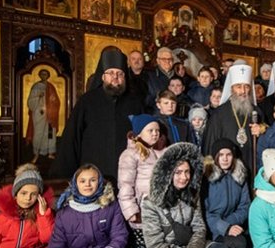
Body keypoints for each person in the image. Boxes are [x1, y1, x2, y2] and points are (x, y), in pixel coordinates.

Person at [52, 48, 143, 181]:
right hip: (93, 172)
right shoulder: (87, 101)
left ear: (125, 77)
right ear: (102, 76)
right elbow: (72, 138)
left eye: (120, 74)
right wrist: (63, 175)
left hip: (127, 174)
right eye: (110, 73)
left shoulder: (135, 103)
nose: (115, 77)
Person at [117, 114, 167, 248]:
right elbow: (125, 186)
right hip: (141, 213)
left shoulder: (159, 151)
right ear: (138, 133)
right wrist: (132, 212)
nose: (155, 134)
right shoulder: (130, 155)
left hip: (158, 213)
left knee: (156, 247)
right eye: (150, 130)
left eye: (157, 130)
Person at [203, 138, 258, 248]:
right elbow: (204, 213)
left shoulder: (239, 175)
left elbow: (245, 206)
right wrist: (225, 227)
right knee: (239, 243)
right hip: (212, 231)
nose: (225, 158)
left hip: (233, 226)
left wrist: (231, 224)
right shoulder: (207, 179)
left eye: (228, 154)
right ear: (215, 157)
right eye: (221, 155)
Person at [202, 63, 263, 174]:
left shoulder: (256, 112)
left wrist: (262, 131)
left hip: (251, 167)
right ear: (231, 89)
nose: (243, 91)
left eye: (247, 86)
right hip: (225, 171)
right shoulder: (219, 114)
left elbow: (266, 143)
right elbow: (210, 146)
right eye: (239, 87)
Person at [26, 69, 60, 163]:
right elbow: (30, 102)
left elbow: (56, 101)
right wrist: (38, 97)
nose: (44, 76)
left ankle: (50, 152)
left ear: (48, 76)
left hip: (50, 115)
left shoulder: (51, 87)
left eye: (45, 74)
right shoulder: (36, 86)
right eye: (42, 74)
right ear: (40, 75)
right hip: (39, 113)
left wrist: (53, 101)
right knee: (38, 133)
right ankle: (36, 153)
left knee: (49, 133)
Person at [144, 47, 175, 111]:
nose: (167, 61)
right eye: (164, 59)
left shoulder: (179, 76)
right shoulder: (148, 76)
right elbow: (145, 100)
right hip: (156, 114)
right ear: (158, 61)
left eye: (170, 59)